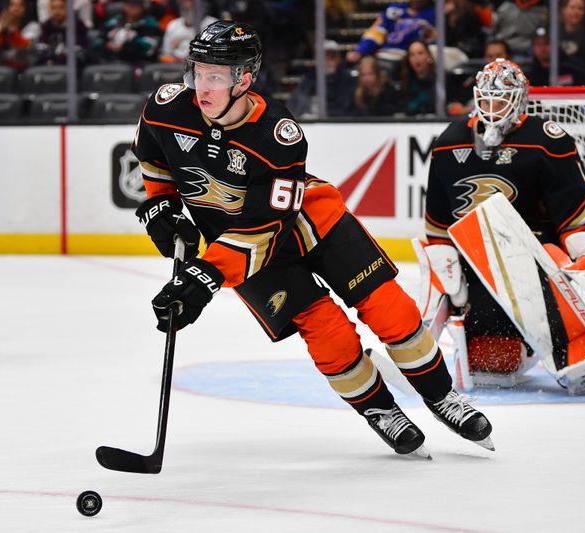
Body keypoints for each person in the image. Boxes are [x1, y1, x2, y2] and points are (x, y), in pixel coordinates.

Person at [132, 20, 494, 457]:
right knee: (327, 332)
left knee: (389, 307)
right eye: (196, 71)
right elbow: (152, 155)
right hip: (240, 246)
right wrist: (161, 207)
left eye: (215, 76)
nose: (200, 87)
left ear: (244, 80)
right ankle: (380, 409)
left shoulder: (279, 136)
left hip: (308, 226)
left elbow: (265, 228)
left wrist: (204, 277)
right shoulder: (166, 107)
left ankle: (441, 395)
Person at [420, 59, 585, 391]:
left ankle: (573, 340)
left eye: (500, 100)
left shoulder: (547, 140)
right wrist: (447, 267)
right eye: (485, 99)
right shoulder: (449, 142)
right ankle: (416, 352)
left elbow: (576, 215)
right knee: (492, 364)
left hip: (536, 260)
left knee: (575, 369)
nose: (492, 107)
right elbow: (439, 227)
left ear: (519, 99)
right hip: (478, 268)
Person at [345, 0, 435, 64]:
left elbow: (435, 39)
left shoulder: (435, 13)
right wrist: (360, 51)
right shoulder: (394, 9)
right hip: (383, 54)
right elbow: (376, 32)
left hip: (410, 59)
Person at [0, 0, 40, 70]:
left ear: (26, 8)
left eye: (20, 5)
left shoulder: (33, 26)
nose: (16, 8)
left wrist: (11, 30)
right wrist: (0, 32)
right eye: (12, 5)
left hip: (26, 68)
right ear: (7, 8)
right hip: (2, 69)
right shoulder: (0, 25)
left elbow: (23, 45)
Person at [400, 39, 435, 116]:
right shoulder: (405, 83)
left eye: (420, 53)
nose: (416, 58)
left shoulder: (440, 81)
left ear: (428, 55)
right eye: (412, 55)